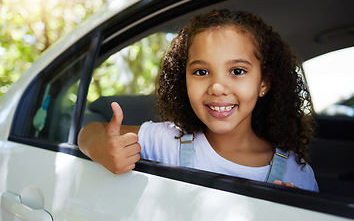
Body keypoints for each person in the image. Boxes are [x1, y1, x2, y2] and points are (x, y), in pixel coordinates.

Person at [78, 10, 318, 191]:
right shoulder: (167, 141)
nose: (216, 87)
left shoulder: (296, 174)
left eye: (237, 71)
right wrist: (99, 148)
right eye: (201, 72)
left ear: (264, 82)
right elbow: (89, 132)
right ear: (184, 80)